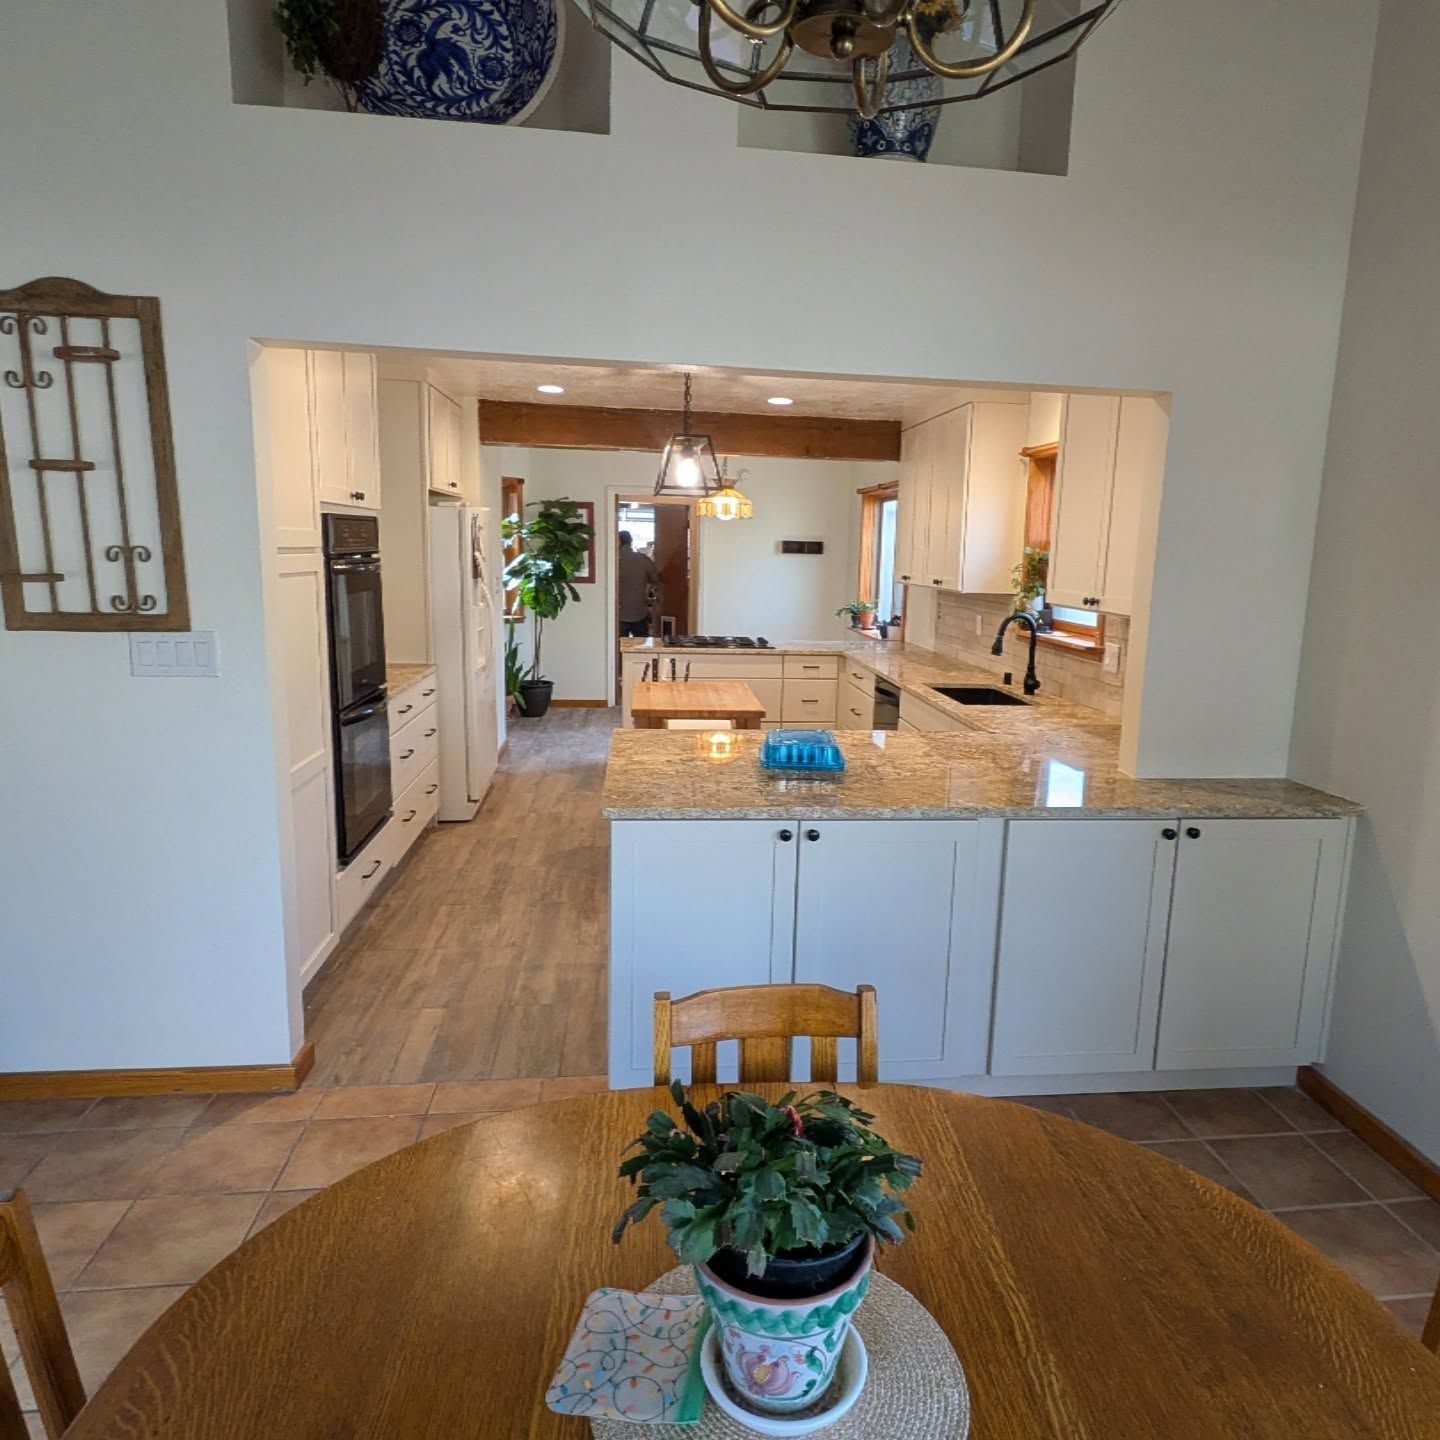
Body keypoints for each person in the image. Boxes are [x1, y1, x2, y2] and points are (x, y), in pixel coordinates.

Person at [617, 529, 660, 637]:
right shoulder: (643, 559)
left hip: (618, 611)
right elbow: (655, 580)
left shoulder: (613, 561)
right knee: (641, 647)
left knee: (618, 648)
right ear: (630, 541)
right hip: (638, 610)